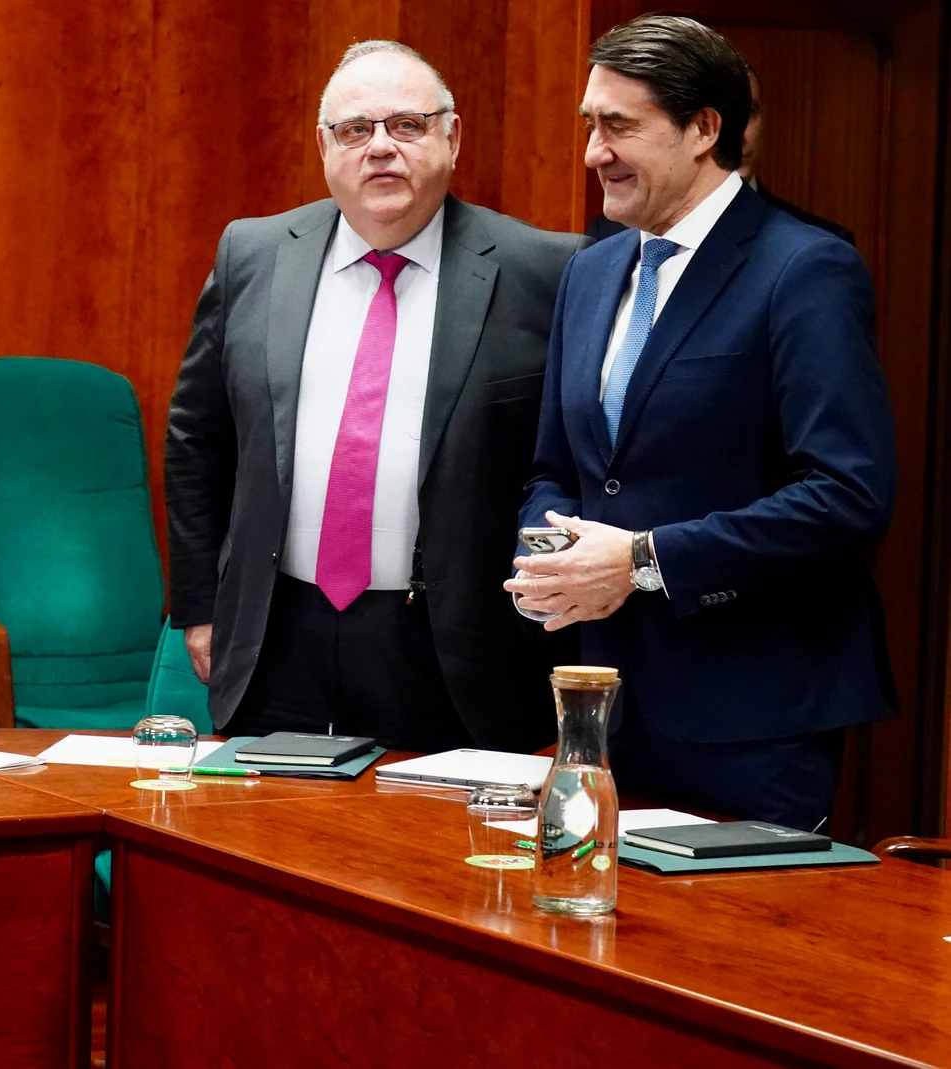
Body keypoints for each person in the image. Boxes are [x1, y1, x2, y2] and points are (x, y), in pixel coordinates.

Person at [509, 15, 896, 828]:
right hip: (606, 705)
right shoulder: (590, 272)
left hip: (755, 718)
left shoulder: (805, 269)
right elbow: (557, 469)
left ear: (703, 130)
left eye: (620, 126)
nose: (593, 153)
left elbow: (848, 494)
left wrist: (646, 562)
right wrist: (546, 561)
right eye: (589, 125)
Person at [165, 42, 587, 754]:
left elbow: (571, 459)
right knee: (267, 843)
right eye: (356, 130)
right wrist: (201, 609)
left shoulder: (545, 270)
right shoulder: (253, 254)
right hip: (276, 637)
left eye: (408, 126)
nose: (380, 149)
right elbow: (195, 441)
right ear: (325, 147)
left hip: (452, 649)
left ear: (452, 138)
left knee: (425, 858)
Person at [586, 62, 853, 245]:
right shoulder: (600, 249)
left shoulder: (814, 250)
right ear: (704, 128)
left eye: (747, 115)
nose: (735, 134)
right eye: (592, 127)